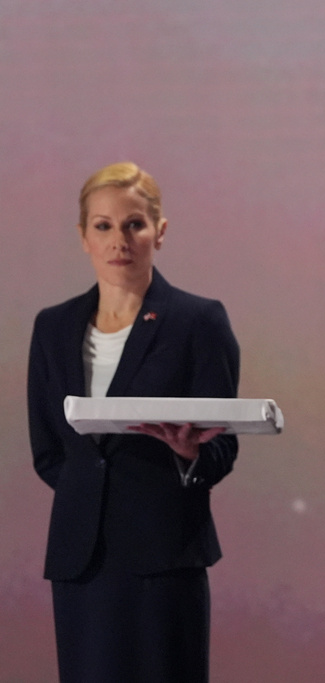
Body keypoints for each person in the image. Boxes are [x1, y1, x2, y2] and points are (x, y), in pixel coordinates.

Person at [28, 162, 240, 682]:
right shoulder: (53, 327)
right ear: (83, 236)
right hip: (81, 557)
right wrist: (97, 498)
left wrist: (189, 457)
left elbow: (222, 447)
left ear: (158, 231)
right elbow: (50, 451)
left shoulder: (199, 321)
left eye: (133, 224)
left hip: (163, 554)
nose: (118, 239)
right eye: (103, 226)